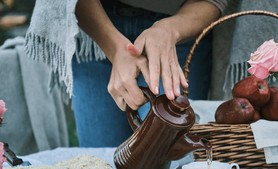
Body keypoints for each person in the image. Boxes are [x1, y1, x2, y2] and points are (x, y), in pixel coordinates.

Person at [25, 0, 227, 147]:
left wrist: (169, 30)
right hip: (95, 27)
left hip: (180, 31)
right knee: (100, 166)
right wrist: (115, 48)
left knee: (173, 158)